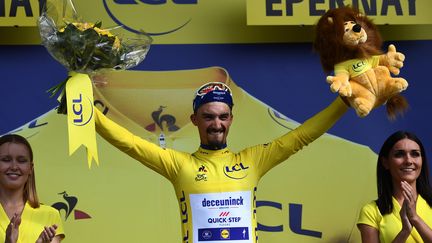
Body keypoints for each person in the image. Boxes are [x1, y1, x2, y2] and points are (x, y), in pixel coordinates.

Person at [94, 81, 349, 242]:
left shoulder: (252, 160)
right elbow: (129, 143)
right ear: (195, 120)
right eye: (208, 117)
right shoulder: (179, 165)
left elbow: (302, 136)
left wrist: (343, 103)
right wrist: (86, 112)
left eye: (223, 117)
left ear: (231, 119)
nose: (217, 124)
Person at [357, 131, 432, 243]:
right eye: (399, 154)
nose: (408, 161)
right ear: (386, 162)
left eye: (415, 154)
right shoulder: (371, 211)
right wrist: (404, 232)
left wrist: (415, 218)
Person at [0, 134, 65, 243]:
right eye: (6, 160)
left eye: (21, 160)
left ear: (30, 168)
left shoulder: (50, 215)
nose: (14, 167)